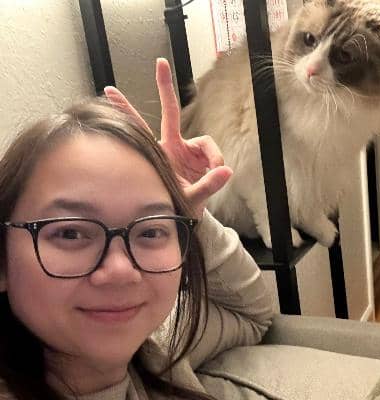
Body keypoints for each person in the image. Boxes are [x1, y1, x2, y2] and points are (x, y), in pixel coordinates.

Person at [0, 58, 273, 400]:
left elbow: (251, 314)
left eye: (150, 231)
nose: (120, 271)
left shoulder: (156, 347)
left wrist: (188, 214)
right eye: (70, 233)